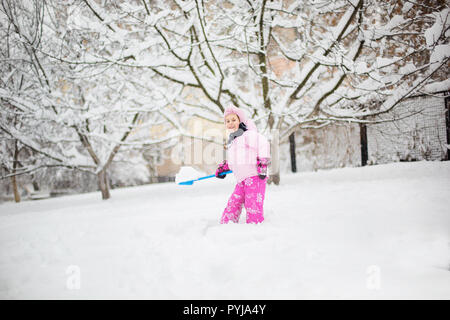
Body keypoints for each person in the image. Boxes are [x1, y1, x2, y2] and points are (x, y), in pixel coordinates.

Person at [215, 106, 271, 224]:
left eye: (233, 120)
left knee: (253, 205)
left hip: (255, 176)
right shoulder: (233, 140)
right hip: (241, 180)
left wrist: (262, 163)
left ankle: (255, 228)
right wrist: (224, 168)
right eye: (227, 121)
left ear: (240, 121)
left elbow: (263, 144)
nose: (230, 123)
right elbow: (235, 161)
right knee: (233, 203)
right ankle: (226, 225)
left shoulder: (248, 135)